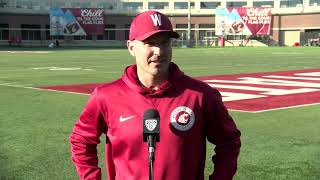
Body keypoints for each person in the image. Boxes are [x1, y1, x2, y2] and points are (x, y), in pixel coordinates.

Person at [70, 10, 241, 180]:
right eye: (150, 43)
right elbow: (81, 140)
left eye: (164, 42)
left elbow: (228, 142)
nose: (158, 51)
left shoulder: (201, 95)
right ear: (131, 47)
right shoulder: (106, 96)